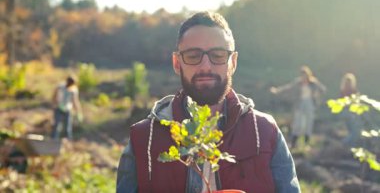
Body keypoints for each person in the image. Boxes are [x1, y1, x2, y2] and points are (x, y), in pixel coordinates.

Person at [117, 11, 300, 193]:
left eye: (218, 55)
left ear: (233, 62)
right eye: (193, 55)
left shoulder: (265, 132)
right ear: (177, 63)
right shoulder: (144, 139)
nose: (206, 66)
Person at [270, 66, 326, 148]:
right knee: (298, 122)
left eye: (305, 75)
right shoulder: (298, 82)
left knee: (308, 122)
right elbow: (288, 87)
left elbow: (322, 89)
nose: (303, 77)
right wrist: (277, 90)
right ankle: (294, 143)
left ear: (308, 75)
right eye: (302, 75)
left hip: (309, 103)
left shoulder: (313, 83)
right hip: (299, 103)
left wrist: (316, 95)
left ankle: (306, 143)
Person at [51, 75, 82, 140]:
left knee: (68, 127)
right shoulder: (60, 86)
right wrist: (55, 104)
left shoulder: (74, 90)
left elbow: (75, 101)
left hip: (67, 109)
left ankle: (68, 141)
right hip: (58, 108)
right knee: (56, 125)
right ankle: (54, 140)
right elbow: (54, 95)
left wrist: (78, 112)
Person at [339, 73, 362, 146]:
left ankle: (348, 146)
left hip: (345, 112)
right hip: (351, 113)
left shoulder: (342, 90)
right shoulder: (353, 91)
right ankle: (344, 143)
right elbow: (356, 102)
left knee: (351, 131)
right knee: (355, 132)